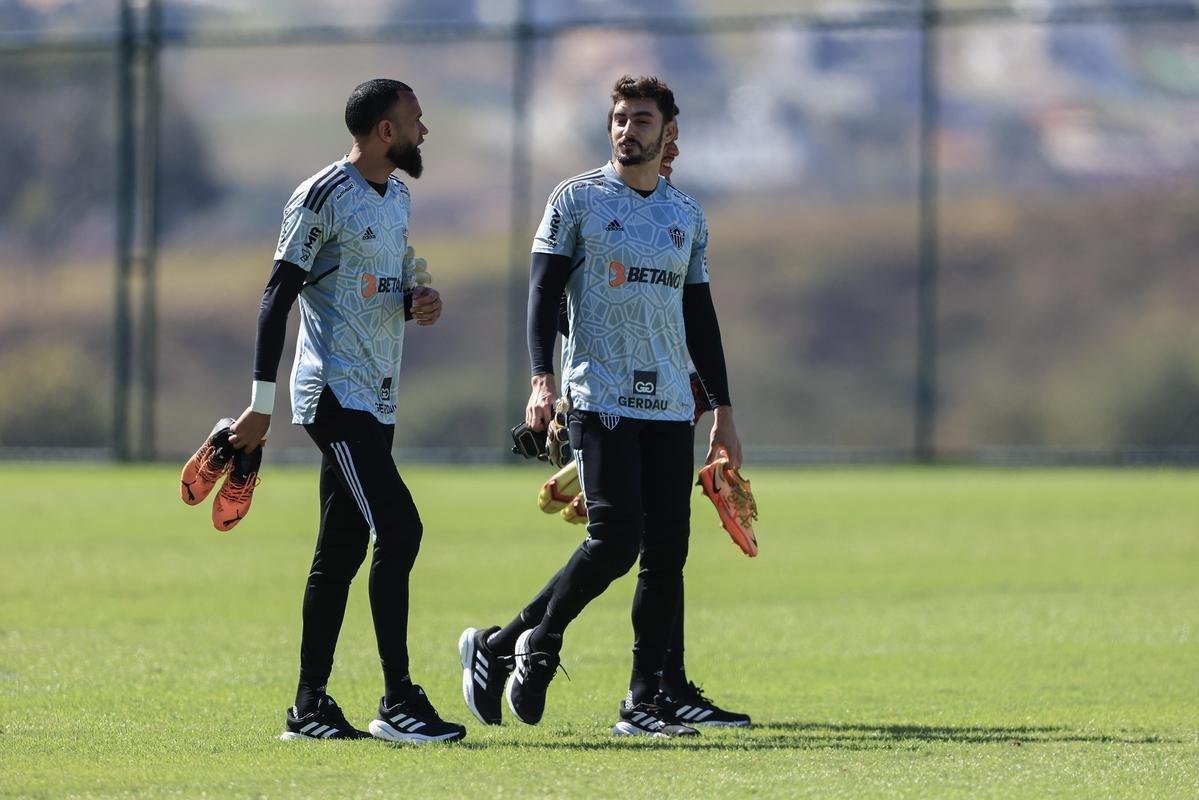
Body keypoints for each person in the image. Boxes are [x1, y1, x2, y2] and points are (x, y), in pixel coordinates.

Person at [459, 75, 741, 737]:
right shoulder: (576, 200)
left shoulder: (686, 216)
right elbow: (541, 296)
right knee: (614, 540)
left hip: (671, 405)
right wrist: (540, 382)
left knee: (667, 551)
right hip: (598, 396)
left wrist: (723, 411)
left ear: (666, 132)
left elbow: (699, 319)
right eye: (618, 117)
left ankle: (641, 699)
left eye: (640, 119)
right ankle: (538, 640)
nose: (626, 129)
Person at [227, 78, 466, 743]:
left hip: (377, 396)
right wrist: (259, 406)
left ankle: (308, 709)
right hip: (333, 396)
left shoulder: (399, 196)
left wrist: (418, 300)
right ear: (385, 131)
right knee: (401, 529)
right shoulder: (321, 195)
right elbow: (277, 297)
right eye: (416, 120)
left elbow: (376, 283)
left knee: (341, 550)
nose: (425, 131)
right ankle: (397, 701)